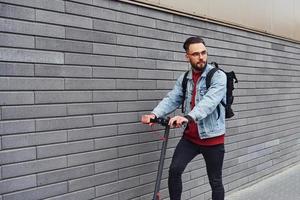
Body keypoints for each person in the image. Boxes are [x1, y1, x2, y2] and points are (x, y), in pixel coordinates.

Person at [141, 36, 227, 200]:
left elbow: (209, 102)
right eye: (195, 54)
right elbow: (172, 99)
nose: (201, 57)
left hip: (213, 139)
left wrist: (188, 117)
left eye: (203, 53)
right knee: (174, 170)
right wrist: (154, 114)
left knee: (215, 181)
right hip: (191, 139)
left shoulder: (218, 76)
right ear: (187, 56)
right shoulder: (185, 78)